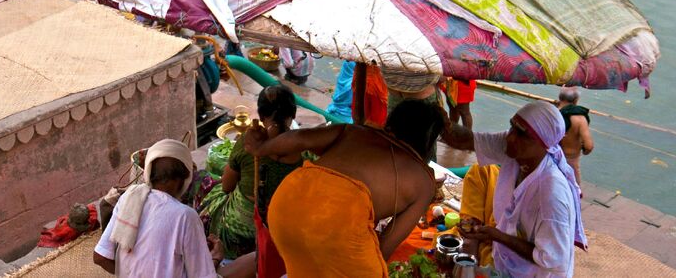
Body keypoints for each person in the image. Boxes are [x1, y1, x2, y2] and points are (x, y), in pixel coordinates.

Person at [243, 99, 445, 276]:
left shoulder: (353, 131)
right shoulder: (424, 181)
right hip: (337, 229)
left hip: (284, 207)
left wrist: (261, 148)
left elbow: (299, 138)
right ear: (428, 142)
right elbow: (385, 246)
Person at [441, 100, 587, 277]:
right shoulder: (515, 150)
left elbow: (551, 258)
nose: (510, 137)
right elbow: (467, 140)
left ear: (543, 143)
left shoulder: (551, 193)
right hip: (507, 266)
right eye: (512, 127)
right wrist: (441, 122)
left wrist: (497, 236)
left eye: (520, 133)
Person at [93, 139, 225, 277]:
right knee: (245, 263)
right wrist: (215, 258)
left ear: (149, 174)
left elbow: (100, 257)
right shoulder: (186, 216)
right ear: (184, 179)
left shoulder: (128, 198)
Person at [200, 85, 303, 260]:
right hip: (283, 233)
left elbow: (226, 186)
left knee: (205, 182)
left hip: (240, 233)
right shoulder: (306, 150)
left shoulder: (248, 143)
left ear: (261, 116)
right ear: (293, 113)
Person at [556, 87, 593, 185]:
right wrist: (584, 150)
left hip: (549, 157)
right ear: (576, 100)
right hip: (570, 159)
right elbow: (589, 146)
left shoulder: (552, 113)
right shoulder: (579, 118)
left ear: (560, 97)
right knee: (573, 189)